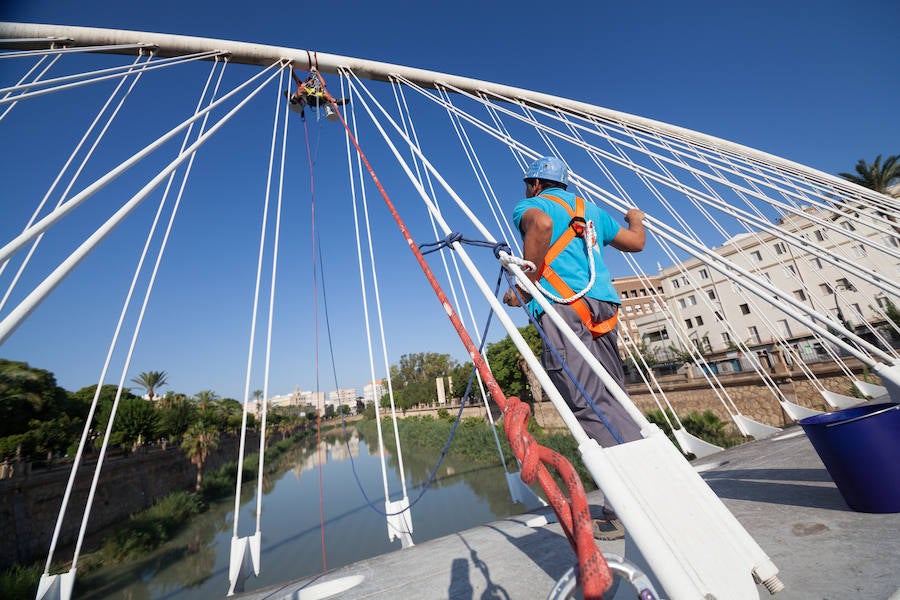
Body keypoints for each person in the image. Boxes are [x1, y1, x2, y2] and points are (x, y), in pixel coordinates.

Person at [503, 156, 646, 538]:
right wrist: (635, 217)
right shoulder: (590, 211)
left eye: (527, 185)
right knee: (614, 397)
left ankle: (632, 498)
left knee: (586, 400)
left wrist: (524, 285)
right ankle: (644, 474)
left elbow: (542, 225)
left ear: (535, 184)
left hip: (563, 307)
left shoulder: (531, 206)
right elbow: (636, 242)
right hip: (602, 304)